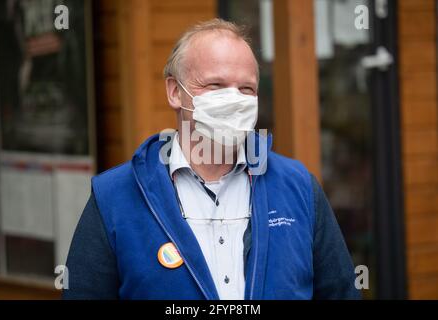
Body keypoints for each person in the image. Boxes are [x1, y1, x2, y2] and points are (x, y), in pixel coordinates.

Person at [63, 18, 360, 300]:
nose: (234, 99)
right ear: (174, 92)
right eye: (215, 86)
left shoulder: (299, 189)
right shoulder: (115, 198)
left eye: (246, 89)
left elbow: (341, 292)